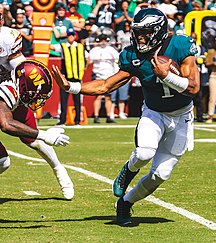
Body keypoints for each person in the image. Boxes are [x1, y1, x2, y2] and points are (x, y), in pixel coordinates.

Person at [52, 8, 200, 224]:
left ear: (158, 32)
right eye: (137, 32)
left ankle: (126, 203)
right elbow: (104, 85)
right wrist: (71, 87)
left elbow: (194, 87)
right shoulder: (132, 55)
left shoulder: (180, 45)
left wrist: (167, 75)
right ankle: (127, 171)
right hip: (154, 112)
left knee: (161, 174)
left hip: (182, 115)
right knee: (144, 153)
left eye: (145, 33)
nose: (140, 38)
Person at [0, 15, 74, 200]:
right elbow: (6, 124)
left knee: (31, 137)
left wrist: (24, 83)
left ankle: (59, 169)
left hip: (6, 85)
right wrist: (46, 135)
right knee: (2, 162)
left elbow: (20, 65)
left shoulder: (7, 37)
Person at [50, 28, 89, 125]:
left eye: (72, 35)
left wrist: (84, 67)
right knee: (63, 100)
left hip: (77, 77)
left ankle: (77, 120)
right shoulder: (63, 46)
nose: (71, 37)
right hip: (65, 77)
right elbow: (52, 47)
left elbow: (88, 57)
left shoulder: (80, 46)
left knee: (77, 100)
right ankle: (62, 120)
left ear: (75, 36)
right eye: (69, 35)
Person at [89, 33, 119, 123]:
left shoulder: (111, 50)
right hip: (98, 74)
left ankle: (109, 115)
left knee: (108, 97)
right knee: (98, 96)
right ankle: (96, 115)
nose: (103, 42)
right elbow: (89, 61)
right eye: (101, 40)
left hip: (109, 75)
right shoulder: (94, 50)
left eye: (104, 40)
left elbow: (117, 61)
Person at [205, 36, 216, 124]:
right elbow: (207, 63)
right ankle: (210, 115)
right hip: (214, 75)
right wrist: (212, 63)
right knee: (212, 97)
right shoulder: (212, 51)